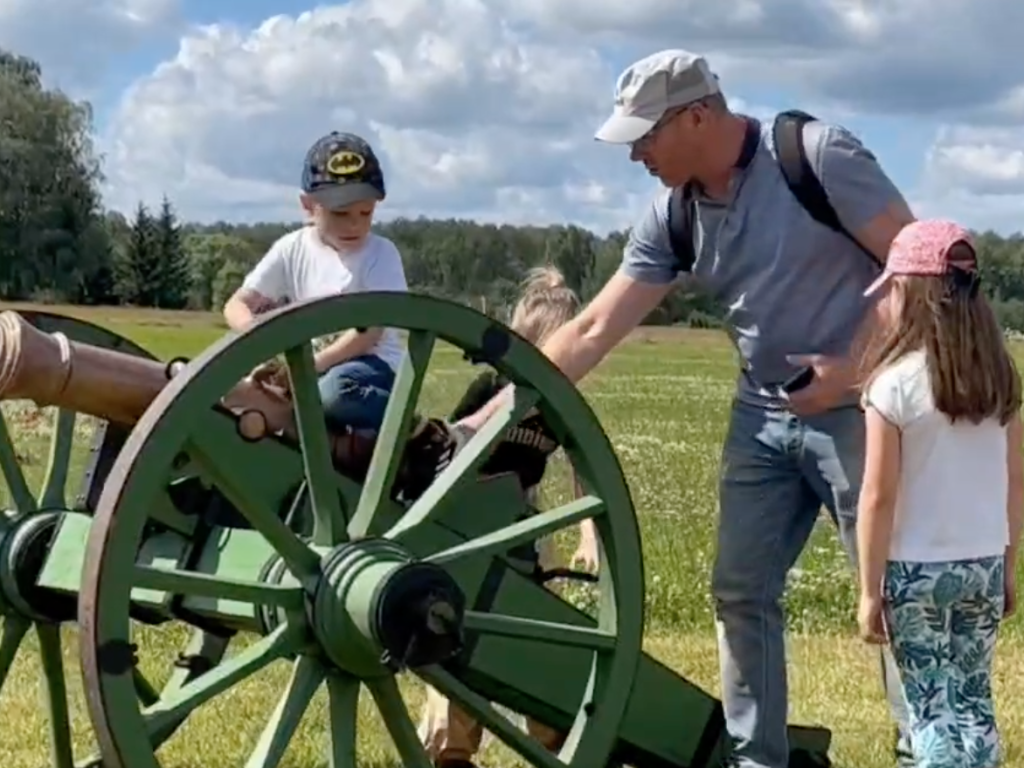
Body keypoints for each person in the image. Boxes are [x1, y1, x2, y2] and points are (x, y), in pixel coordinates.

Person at [454, 48, 919, 768]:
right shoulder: (672, 216)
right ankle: (754, 758)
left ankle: (923, 746)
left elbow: (914, 265)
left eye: (646, 134)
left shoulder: (814, 156)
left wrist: (855, 374)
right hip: (762, 416)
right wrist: (480, 426)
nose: (635, 152)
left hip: (861, 411)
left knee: (891, 586)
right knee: (740, 591)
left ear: (699, 114)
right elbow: (591, 329)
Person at [855, 219, 1023, 768]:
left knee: (929, 706)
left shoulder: (893, 386)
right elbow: (1015, 480)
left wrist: (869, 589)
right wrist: (1009, 564)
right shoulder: (1002, 380)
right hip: (982, 563)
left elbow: (878, 496)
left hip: (915, 571)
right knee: (974, 700)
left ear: (913, 293)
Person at [418, 265, 596, 768]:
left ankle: (555, 736)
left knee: (541, 632)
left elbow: (587, 471)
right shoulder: (488, 388)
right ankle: (450, 750)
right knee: (449, 630)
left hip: (526, 524)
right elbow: (450, 447)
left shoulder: (566, 405)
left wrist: (587, 533)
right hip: (465, 523)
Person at [222, 131, 407, 433]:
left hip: (370, 369)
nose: (355, 223)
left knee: (333, 393)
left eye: (366, 212)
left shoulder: (380, 254)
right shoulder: (291, 248)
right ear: (308, 206)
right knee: (234, 392)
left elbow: (368, 333)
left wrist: (308, 368)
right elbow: (237, 305)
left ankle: (412, 426)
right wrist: (263, 346)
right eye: (340, 213)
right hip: (312, 370)